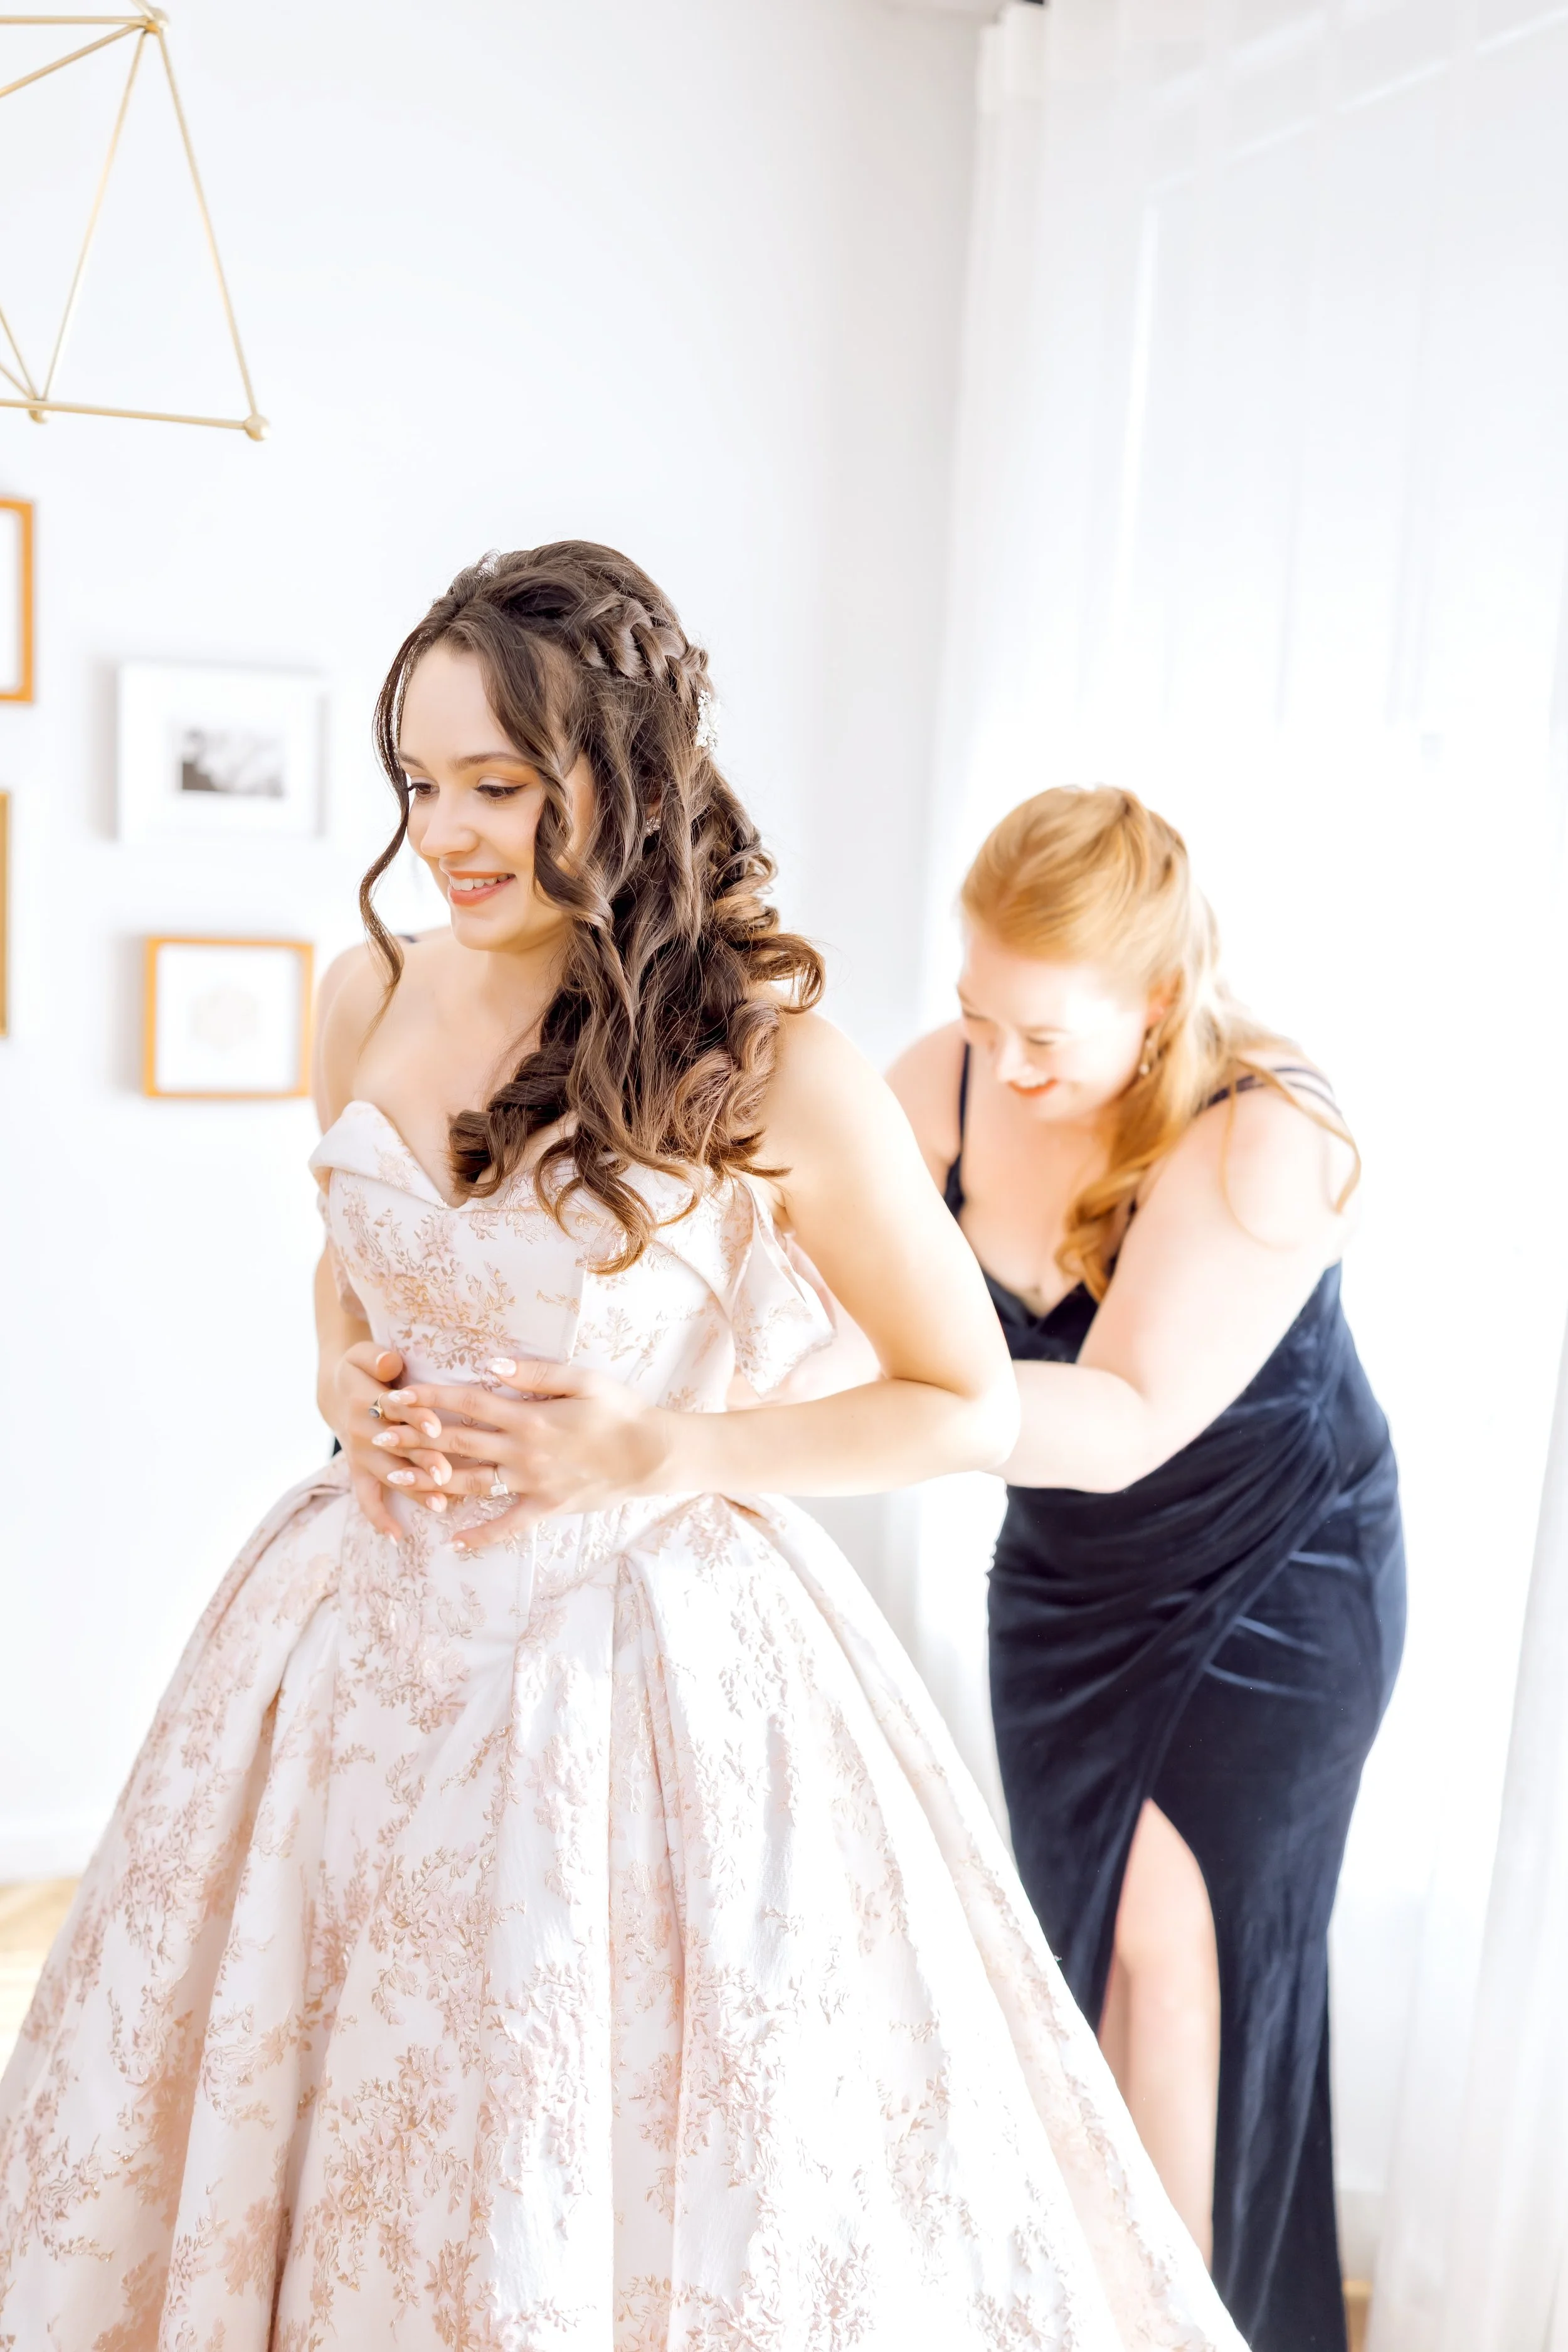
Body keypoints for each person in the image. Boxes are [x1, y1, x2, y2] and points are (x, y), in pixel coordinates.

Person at [0, 552, 1242, 2349]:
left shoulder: (764, 1058)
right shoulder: (361, 995)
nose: (446, 833)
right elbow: (349, 1284)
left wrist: (666, 1443)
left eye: (495, 785)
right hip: (349, 1641)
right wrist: (347, 1384)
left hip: (630, 1669)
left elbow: (958, 1396)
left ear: (622, 775)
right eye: (419, 784)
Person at [889, 786, 1406, 2352]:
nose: (1006, 1066)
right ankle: (1088, 2298)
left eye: (1045, 1034)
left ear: (1162, 1001)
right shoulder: (956, 1080)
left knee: (1176, 1960)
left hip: (1273, 1587)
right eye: (980, 1015)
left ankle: (1165, 2322)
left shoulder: (1269, 1130)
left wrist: (807, 1431)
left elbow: (1112, 1420)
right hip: (1063, 1588)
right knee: (1086, 1960)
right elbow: (778, 1255)